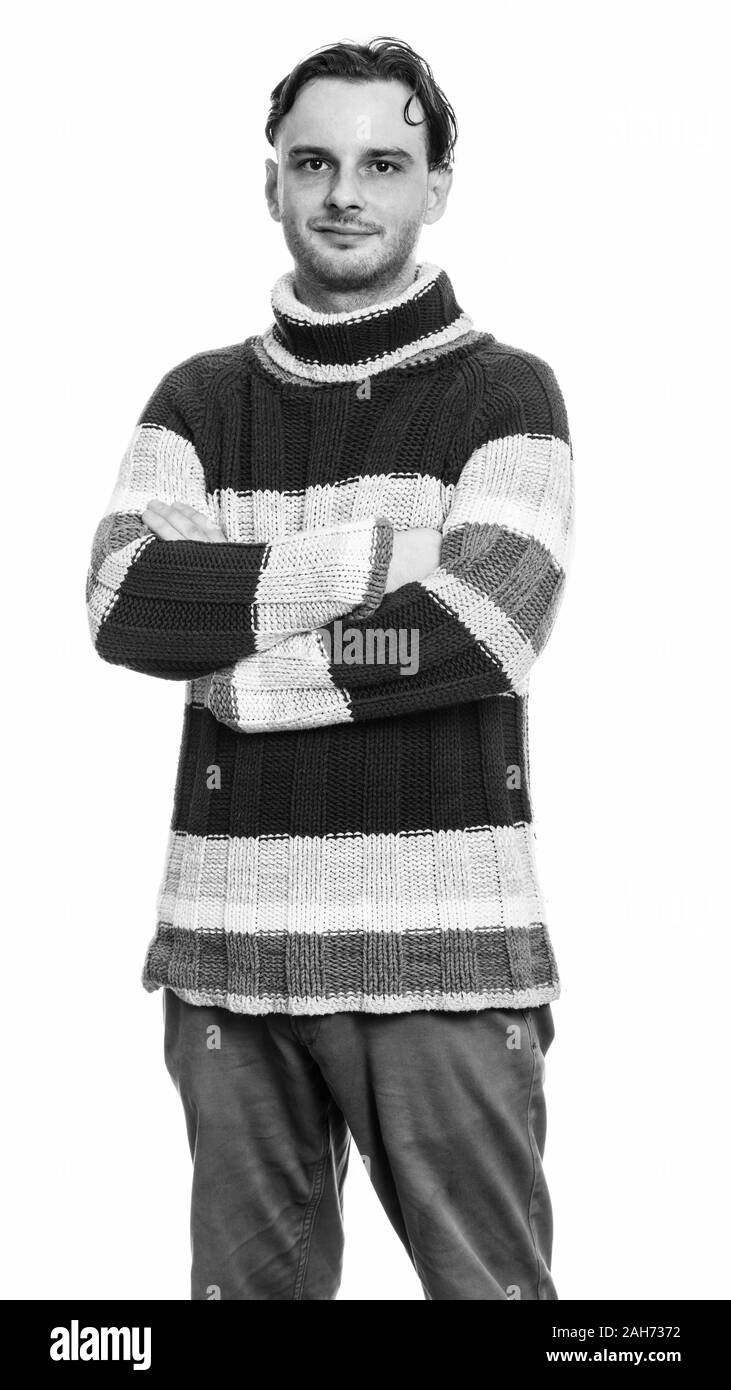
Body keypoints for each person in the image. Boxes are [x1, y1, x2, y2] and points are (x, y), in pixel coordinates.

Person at [86, 35, 575, 1301]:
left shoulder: (506, 397)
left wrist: (246, 676)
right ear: (273, 186)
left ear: (435, 186)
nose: (344, 191)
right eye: (314, 161)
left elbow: (479, 624)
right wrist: (374, 555)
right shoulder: (195, 403)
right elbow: (128, 598)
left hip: (442, 955)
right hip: (225, 961)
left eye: (381, 162)